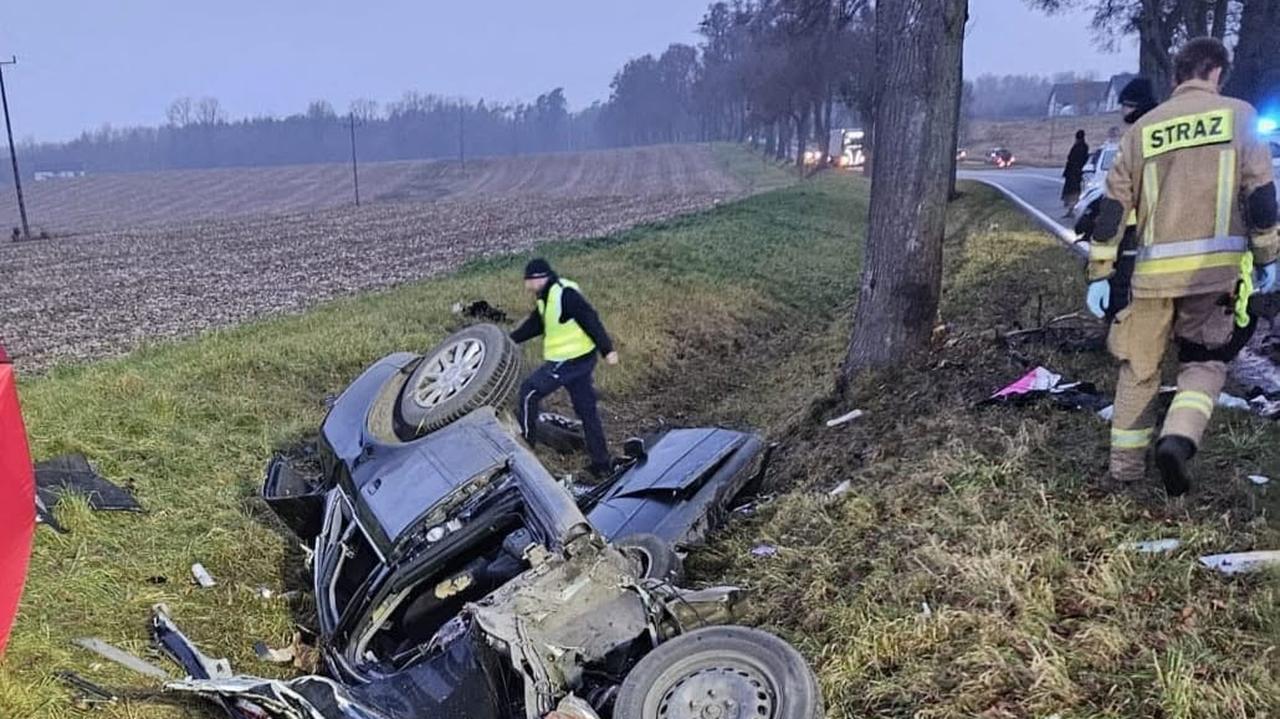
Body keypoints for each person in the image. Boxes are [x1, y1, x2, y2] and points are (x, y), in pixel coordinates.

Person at [1084, 38, 1278, 495]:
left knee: (1139, 368)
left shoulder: (1143, 128)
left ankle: (1125, 470)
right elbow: (1261, 198)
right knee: (1204, 362)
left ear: (1176, 76)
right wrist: (1267, 255)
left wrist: (1101, 272)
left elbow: (1113, 209)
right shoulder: (1240, 117)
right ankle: (1178, 437)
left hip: (1152, 276)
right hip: (1216, 276)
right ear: (1217, 72)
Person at [510, 258, 619, 477]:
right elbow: (536, 325)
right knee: (587, 410)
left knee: (529, 392)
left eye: (528, 280)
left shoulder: (565, 294)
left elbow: (590, 319)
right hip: (578, 361)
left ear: (540, 278)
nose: (526, 285)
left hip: (570, 361)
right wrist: (509, 340)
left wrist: (607, 349)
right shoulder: (546, 297)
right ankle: (602, 465)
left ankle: (526, 449)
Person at [1062, 129, 1090, 216]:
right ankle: (1071, 210)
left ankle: (1071, 210)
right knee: (1074, 191)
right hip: (1076, 172)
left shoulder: (1079, 147)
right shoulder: (1084, 146)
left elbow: (1071, 158)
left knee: (1073, 191)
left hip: (1073, 172)